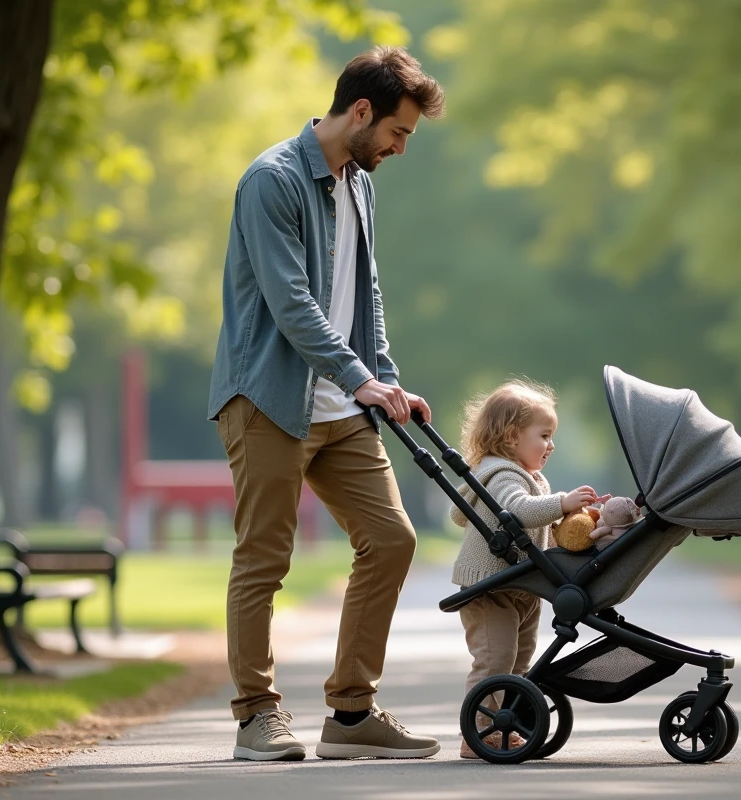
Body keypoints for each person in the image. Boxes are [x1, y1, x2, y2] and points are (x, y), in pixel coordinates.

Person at [207, 46, 445, 762]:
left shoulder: (360, 183)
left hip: (344, 405)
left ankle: (349, 712)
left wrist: (384, 376)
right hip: (270, 397)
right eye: (399, 133)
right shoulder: (271, 181)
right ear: (362, 111)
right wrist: (355, 373)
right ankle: (255, 715)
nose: (401, 149)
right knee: (264, 558)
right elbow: (291, 303)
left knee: (393, 540)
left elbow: (362, 292)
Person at [449, 379, 606, 759]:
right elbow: (516, 510)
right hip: (491, 588)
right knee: (494, 661)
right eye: (545, 435)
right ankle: (478, 734)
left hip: (522, 586)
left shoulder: (532, 477)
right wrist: (562, 502)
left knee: (520, 663)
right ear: (511, 435)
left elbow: (541, 529)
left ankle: (509, 721)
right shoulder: (504, 474)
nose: (551, 445)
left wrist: (581, 523)